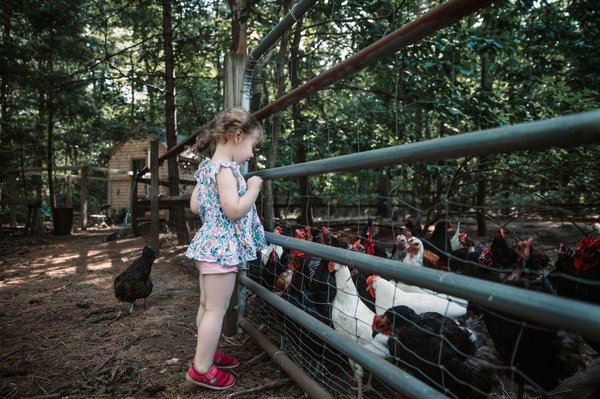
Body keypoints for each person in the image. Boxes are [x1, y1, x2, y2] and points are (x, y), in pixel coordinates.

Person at [184, 107, 266, 390]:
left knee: (207, 307)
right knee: (216, 311)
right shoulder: (227, 172)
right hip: (221, 250)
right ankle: (202, 369)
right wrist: (253, 188)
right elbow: (234, 211)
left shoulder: (206, 168)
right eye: (252, 146)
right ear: (238, 136)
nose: (252, 155)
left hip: (207, 246)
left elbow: (195, 205)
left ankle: (206, 352)